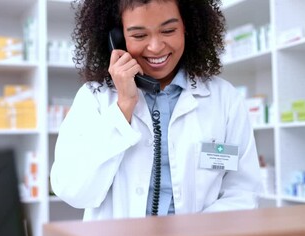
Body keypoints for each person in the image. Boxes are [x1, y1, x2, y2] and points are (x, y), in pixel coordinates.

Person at [50, 0, 262, 221]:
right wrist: (123, 107)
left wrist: (193, 234)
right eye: (139, 35)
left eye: (169, 30)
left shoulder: (224, 99)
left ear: (187, 26)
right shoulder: (94, 98)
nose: (156, 47)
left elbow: (243, 192)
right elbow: (73, 191)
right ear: (118, 38)